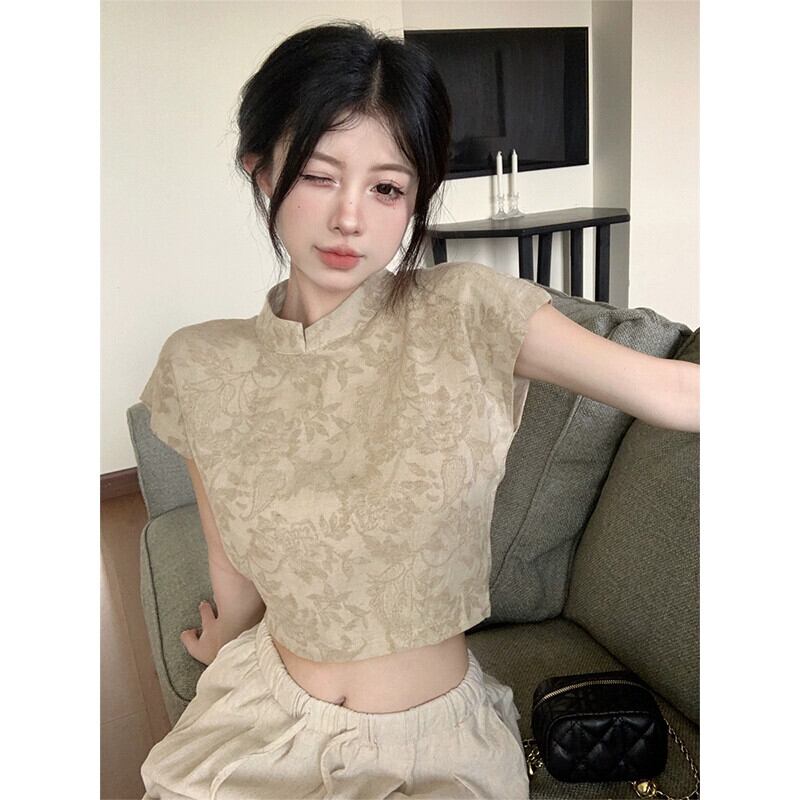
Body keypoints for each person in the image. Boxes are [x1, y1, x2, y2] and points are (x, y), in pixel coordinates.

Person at [138, 20, 699, 800]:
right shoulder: (199, 363)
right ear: (261, 171)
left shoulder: (465, 310)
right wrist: (228, 632)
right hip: (262, 715)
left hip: (432, 746)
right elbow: (227, 546)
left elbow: (674, 389)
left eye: (387, 188)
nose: (350, 218)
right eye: (319, 175)